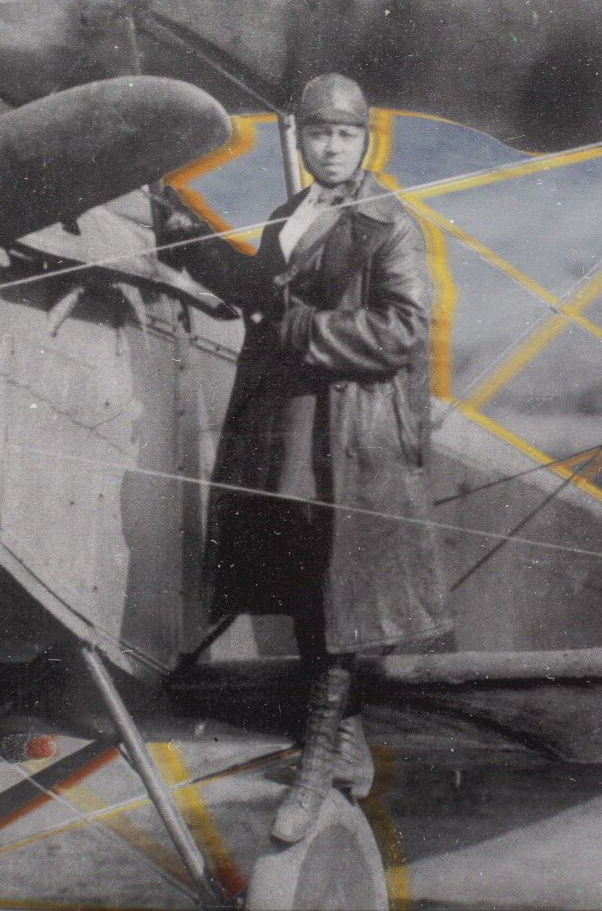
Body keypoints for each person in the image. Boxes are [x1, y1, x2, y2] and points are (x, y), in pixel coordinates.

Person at [156, 72, 450, 843]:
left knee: (334, 595)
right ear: (302, 140)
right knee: (300, 581)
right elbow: (259, 287)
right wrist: (183, 230)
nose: (332, 147)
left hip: (346, 436)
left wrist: (309, 332)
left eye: (345, 134)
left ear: (366, 141)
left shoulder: (389, 225)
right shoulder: (293, 214)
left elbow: (403, 330)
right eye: (319, 134)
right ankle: (343, 745)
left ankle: (318, 763)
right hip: (285, 424)